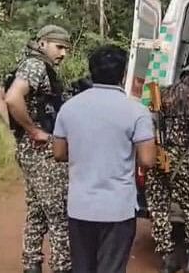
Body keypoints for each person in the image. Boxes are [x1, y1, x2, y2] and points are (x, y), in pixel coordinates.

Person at [52, 45, 157, 273]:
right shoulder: (137, 111)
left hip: (80, 206)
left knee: (82, 267)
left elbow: (58, 153)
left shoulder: (69, 108)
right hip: (117, 209)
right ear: (123, 73)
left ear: (91, 71)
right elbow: (148, 160)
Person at [2, 24, 72, 273]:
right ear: (43, 43)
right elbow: (11, 98)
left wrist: (17, 130)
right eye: (59, 46)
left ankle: (31, 263)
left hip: (31, 150)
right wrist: (31, 130)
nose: (63, 53)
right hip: (41, 152)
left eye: (66, 48)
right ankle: (62, 267)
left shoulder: (30, 64)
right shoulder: (36, 65)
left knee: (37, 210)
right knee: (58, 211)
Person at [145, 62, 189, 273]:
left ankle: (167, 257)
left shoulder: (161, 93)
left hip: (158, 156)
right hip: (183, 158)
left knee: (158, 206)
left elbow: (150, 122)